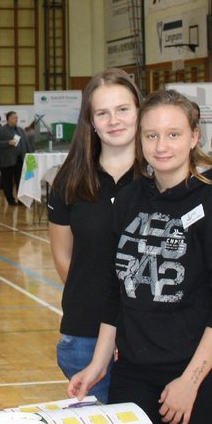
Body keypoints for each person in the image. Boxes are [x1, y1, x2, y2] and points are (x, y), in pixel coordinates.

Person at [68, 89, 212, 424]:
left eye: (173, 134)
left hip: (198, 378)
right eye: (151, 136)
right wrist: (98, 365)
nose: (161, 146)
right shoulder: (129, 200)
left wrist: (190, 382)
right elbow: (116, 291)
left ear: (194, 137)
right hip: (134, 375)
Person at [47, 69, 141, 403]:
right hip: (85, 334)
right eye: (103, 113)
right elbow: (63, 256)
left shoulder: (159, 177)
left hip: (147, 335)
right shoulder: (70, 181)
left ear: (139, 111)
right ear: (91, 121)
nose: (114, 120)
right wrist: (99, 311)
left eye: (123, 109)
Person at [0, 111, 33, 206]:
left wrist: (31, 155)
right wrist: (8, 143)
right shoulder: (1, 130)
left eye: (17, 118)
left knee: (20, 181)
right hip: (7, 160)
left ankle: (21, 199)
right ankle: (10, 200)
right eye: (14, 118)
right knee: (8, 182)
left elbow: (26, 143)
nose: (16, 119)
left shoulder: (20, 130)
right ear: (8, 119)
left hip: (20, 159)